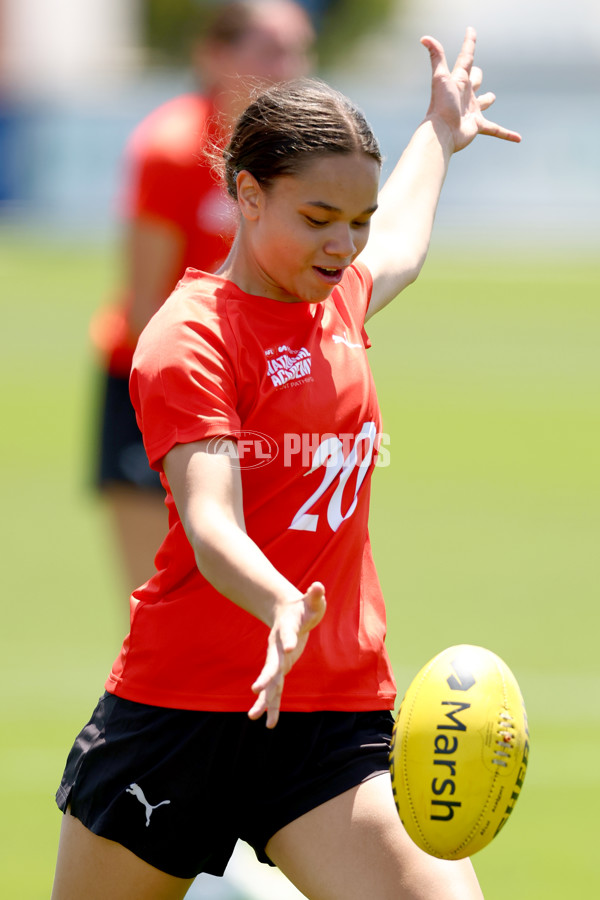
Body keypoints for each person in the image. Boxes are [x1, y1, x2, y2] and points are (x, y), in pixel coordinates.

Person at [53, 27, 521, 900]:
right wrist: (278, 603)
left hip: (330, 718)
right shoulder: (190, 337)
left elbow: (406, 241)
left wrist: (438, 129)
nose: (344, 246)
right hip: (178, 715)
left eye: (357, 221)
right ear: (248, 194)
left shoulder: (340, 299)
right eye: (318, 219)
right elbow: (209, 519)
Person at [92, 0, 316, 593]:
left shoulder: (299, 157)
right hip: (158, 387)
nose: (289, 66)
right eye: (271, 49)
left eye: (299, 50)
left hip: (260, 394)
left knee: (254, 606)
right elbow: (145, 309)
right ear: (215, 55)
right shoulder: (171, 148)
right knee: (155, 601)